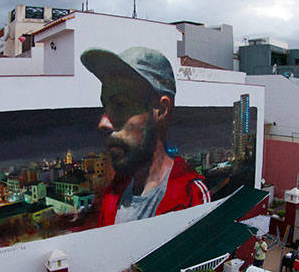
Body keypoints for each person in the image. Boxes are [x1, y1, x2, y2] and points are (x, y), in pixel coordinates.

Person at [80, 46, 210, 227]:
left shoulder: (191, 195)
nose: (103, 123)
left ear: (162, 110)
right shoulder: (113, 194)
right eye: (105, 106)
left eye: (120, 105)